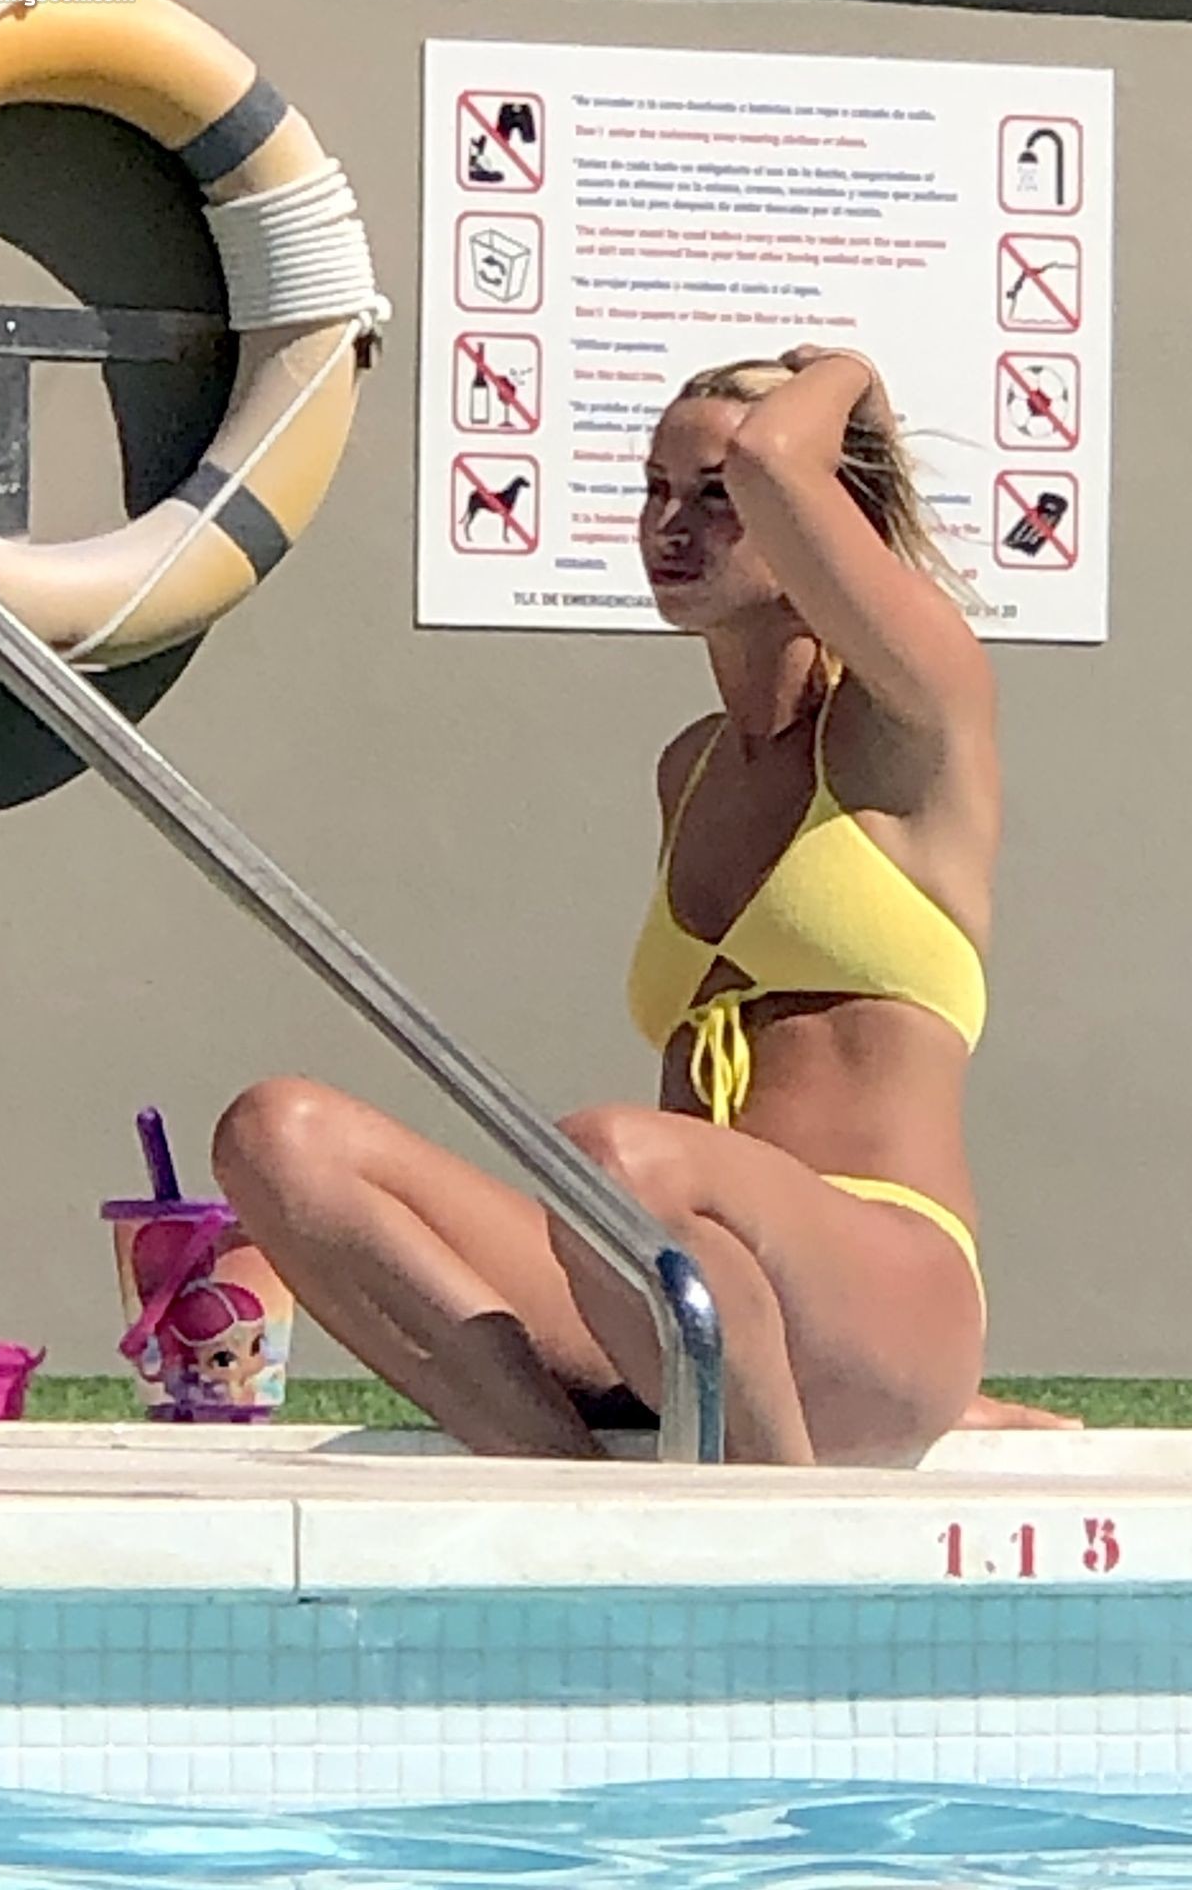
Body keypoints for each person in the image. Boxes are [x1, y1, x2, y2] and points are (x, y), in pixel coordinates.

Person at [211, 346, 1076, 1463]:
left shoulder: (915, 725)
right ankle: (558, 1482)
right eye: (654, 489)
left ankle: (767, 1528)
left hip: (881, 1294)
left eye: (716, 498)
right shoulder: (690, 769)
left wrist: (848, 372)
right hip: (667, 1281)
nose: (671, 526)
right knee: (279, 1137)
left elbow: (778, 453)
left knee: (613, 1158)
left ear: (821, 514)